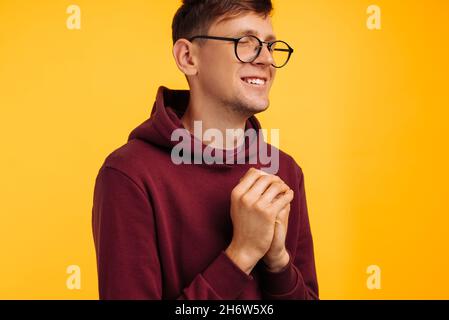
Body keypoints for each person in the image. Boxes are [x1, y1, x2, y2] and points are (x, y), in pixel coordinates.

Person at [92, 0, 319, 300]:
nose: (266, 59)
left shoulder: (285, 171)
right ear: (188, 57)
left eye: (270, 45)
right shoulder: (128, 175)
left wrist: (278, 262)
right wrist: (242, 254)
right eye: (246, 43)